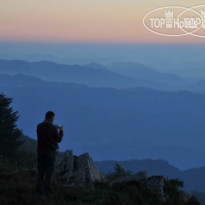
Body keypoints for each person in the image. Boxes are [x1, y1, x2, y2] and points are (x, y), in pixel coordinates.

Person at [35, 111, 64, 197]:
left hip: (40, 151)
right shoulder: (53, 128)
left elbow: (43, 134)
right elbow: (58, 139)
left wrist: (53, 127)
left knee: (40, 172)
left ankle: (38, 192)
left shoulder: (39, 126)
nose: (54, 120)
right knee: (49, 173)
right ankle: (46, 192)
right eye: (54, 118)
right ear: (51, 118)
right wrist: (61, 131)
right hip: (50, 152)